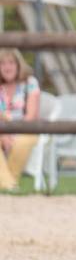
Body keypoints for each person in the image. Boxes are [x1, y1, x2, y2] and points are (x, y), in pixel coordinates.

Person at [0, 48, 42, 191]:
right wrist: (4, 134)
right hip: (2, 130)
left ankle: (7, 184)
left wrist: (12, 133)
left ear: (18, 65)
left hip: (26, 129)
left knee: (22, 142)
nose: (7, 67)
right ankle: (10, 185)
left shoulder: (30, 82)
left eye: (11, 62)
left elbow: (30, 116)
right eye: (2, 63)